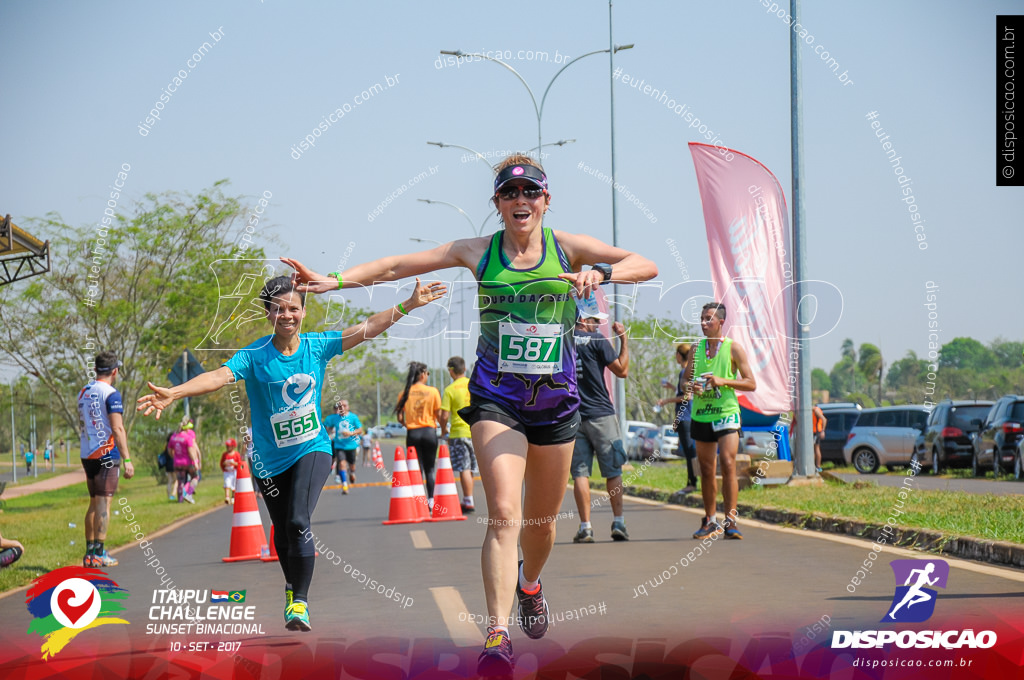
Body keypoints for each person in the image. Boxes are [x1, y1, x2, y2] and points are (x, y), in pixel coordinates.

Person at [283, 152, 657, 674]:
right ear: (498, 204)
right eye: (509, 193)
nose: (520, 200)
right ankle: (497, 634)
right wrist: (334, 279)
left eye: (530, 193)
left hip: (556, 402)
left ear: (546, 200)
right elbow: (397, 266)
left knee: (542, 524)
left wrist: (599, 272)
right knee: (504, 512)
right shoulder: (477, 251)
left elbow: (646, 263)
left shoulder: (567, 247)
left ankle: (530, 584)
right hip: (496, 398)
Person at [138, 275, 444, 632]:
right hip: (268, 461)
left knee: (299, 521)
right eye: (279, 309)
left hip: (311, 448)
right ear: (268, 313)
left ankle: (300, 601)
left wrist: (408, 304)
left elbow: (366, 329)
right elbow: (218, 377)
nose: (287, 315)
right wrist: (175, 393)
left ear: (303, 311)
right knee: (282, 533)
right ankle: (291, 587)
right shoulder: (254, 356)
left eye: (294, 308)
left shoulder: (317, 346)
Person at [685, 303, 756, 540]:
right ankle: (710, 521)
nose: (704, 323)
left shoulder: (734, 348)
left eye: (708, 319)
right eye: (702, 319)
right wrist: (691, 387)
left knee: (727, 462)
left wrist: (723, 381)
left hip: (726, 413)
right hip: (702, 415)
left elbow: (750, 383)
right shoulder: (696, 350)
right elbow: (685, 384)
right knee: (706, 470)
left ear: (721, 322)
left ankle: (731, 521)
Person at [570, 314, 630, 543]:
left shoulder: (564, 341)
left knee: (580, 473)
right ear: (584, 320)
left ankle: (585, 527)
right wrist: (623, 339)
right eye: (595, 320)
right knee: (613, 470)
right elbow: (622, 370)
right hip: (601, 414)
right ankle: (618, 522)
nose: (598, 324)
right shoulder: (596, 339)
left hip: (573, 416)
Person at [77, 351, 135, 567]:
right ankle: (99, 553)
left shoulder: (83, 392)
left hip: (87, 454)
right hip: (106, 454)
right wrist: (127, 459)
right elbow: (117, 428)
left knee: (93, 503)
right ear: (115, 371)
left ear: (95, 370)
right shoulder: (111, 394)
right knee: (104, 504)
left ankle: (90, 553)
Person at [396, 362, 441, 506]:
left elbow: (400, 418)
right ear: (422, 374)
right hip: (429, 432)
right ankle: (431, 501)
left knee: (416, 468)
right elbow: (438, 414)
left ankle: (417, 501)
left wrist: (409, 425)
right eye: (427, 373)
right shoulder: (433, 391)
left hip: (413, 433)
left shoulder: (404, 393)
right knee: (430, 469)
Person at [658, 343, 698, 493]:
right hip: (690, 416)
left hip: (685, 416)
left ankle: (692, 483)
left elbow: (686, 396)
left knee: (689, 451)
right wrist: (672, 388)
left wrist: (666, 401)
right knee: (690, 450)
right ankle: (693, 481)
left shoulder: (684, 372)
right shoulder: (690, 372)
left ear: (679, 355)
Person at [439, 356, 476, 513]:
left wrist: (443, 430)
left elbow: (444, 416)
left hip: (459, 432)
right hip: (476, 431)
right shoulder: (473, 385)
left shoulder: (449, 390)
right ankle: (469, 497)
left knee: (464, 468)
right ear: (465, 369)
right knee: (472, 468)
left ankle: (468, 500)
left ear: (451, 371)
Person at [324, 400, 363, 492]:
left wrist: (350, 433)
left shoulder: (353, 417)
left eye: (344, 406)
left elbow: (360, 430)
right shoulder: (334, 418)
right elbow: (327, 427)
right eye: (340, 406)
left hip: (351, 446)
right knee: (341, 463)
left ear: (348, 407)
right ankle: (344, 484)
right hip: (339, 445)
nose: (342, 408)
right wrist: (328, 430)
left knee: (352, 465)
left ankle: (352, 473)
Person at [169, 418, 201, 504]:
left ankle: (180, 500)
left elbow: (170, 450)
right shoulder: (188, 438)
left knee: (181, 480)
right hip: (188, 463)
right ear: (186, 428)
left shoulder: (173, 437)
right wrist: (195, 461)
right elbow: (191, 451)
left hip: (177, 463)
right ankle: (189, 494)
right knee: (195, 477)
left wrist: (175, 457)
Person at [220, 438, 243, 504]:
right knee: (227, 484)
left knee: (234, 484)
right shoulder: (225, 454)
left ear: (233, 446)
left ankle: (233, 497)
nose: (227, 447)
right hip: (227, 472)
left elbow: (239, 463)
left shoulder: (236, 454)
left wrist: (234, 463)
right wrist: (224, 464)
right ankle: (227, 497)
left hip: (234, 471)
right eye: (227, 446)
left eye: (229, 446)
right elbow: (222, 463)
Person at [160, 432, 177, 500]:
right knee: (177, 480)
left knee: (170, 481)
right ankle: (173, 494)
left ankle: (169, 496)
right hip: (174, 463)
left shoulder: (166, 445)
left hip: (167, 465)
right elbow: (173, 454)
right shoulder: (172, 445)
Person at [812, 405, 827, 473]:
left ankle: (817, 466)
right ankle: (814, 466)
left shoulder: (815, 410)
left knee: (815, 449)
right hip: (813, 432)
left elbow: (824, 419)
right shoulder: (812, 410)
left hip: (816, 432)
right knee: (814, 449)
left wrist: (823, 431)